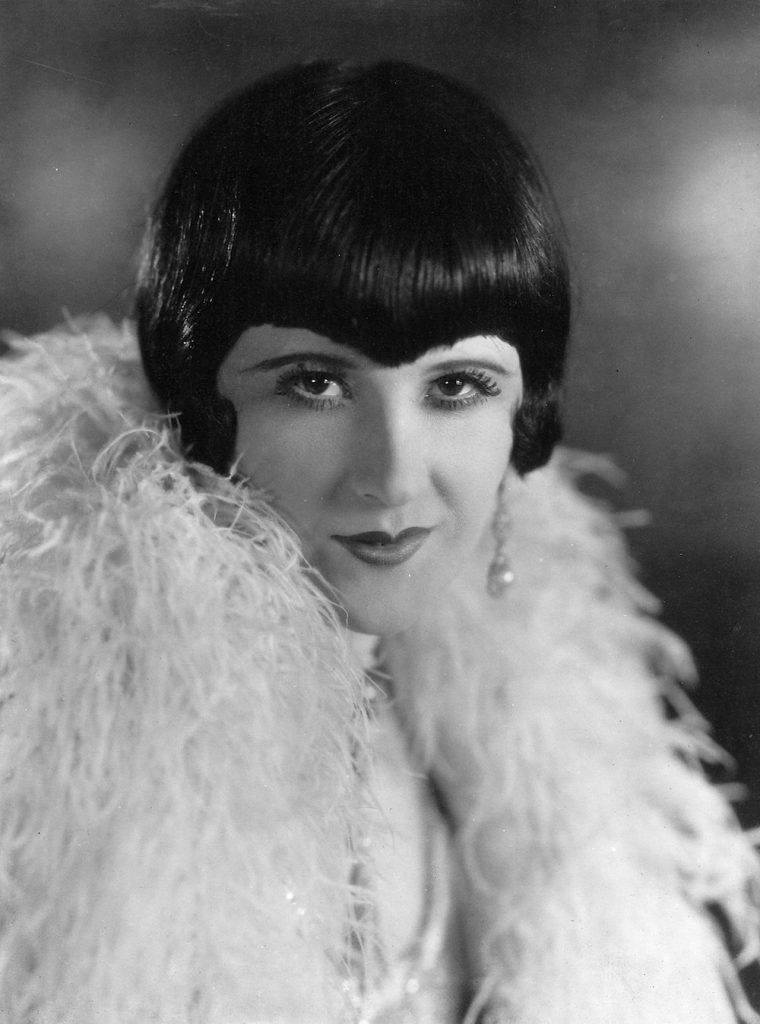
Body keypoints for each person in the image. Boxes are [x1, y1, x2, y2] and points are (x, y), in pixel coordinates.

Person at [0, 59, 757, 1024]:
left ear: (524, 422)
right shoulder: (45, 781)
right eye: (315, 383)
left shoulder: (553, 771)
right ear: (195, 406)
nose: (393, 475)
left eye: (457, 387)